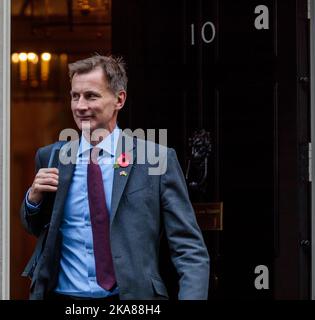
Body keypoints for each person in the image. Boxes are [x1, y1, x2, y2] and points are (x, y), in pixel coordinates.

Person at [20, 55, 209, 300]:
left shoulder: (155, 160)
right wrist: (33, 199)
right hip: (63, 295)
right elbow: (38, 228)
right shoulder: (51, 157)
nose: (80, 106)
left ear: (119, 99)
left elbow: (189, 248)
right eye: (74, 96)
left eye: (91, 96)